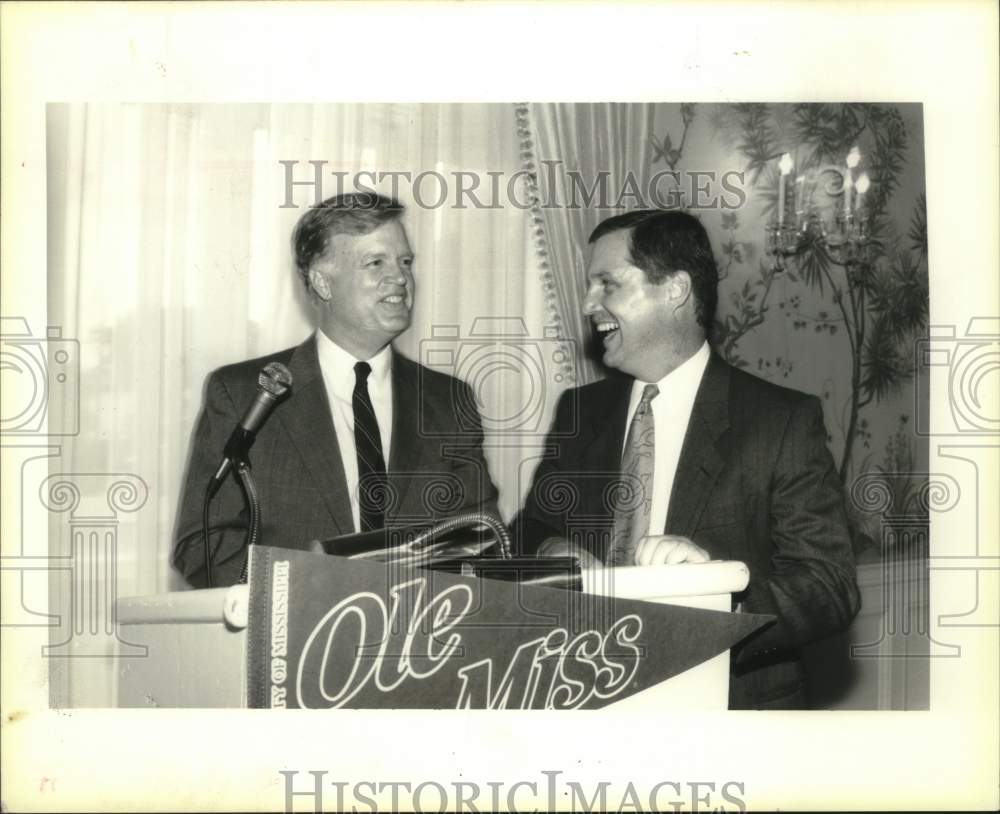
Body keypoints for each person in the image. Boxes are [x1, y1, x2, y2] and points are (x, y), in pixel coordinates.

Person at [513, 209, 861, 709]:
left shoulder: (780, 420)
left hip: (726, 714)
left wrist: (715, 591)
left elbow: (829, 587)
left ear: (674, 289)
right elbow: (527, 529)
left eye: (607, 283)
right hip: (583, 702)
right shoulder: (581, 412)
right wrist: (550, 553)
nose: (589, 304)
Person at [172, 193, 498, 588]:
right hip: (294, 640)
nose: (400, 277)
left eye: (405, 262)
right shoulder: (245, 394)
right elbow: (203, 546)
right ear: (322, 282)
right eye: (375, 262)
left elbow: (483, 541)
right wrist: (305, 584)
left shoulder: (449, 401)